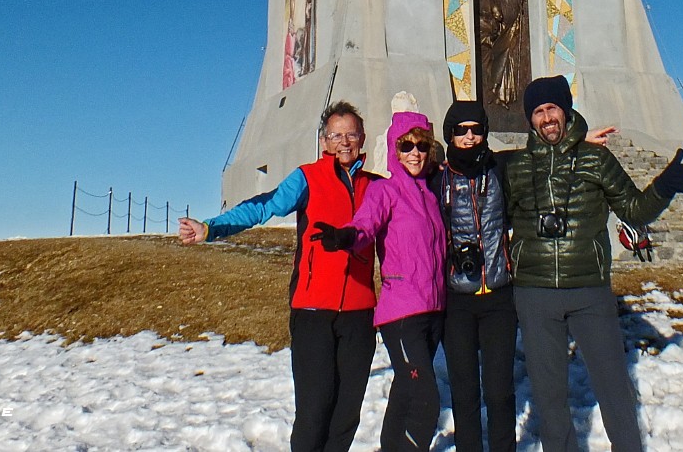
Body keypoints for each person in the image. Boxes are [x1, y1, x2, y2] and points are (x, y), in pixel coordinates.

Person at [504, 75, 683, 452]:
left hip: (589, 291)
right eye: (538, 112)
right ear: (530, 120)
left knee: (614, 389)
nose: (547, 118)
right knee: (550, 397)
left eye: (552, 108)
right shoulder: (515, 167)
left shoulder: (596, 159)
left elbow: (635, 210)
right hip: (535, 293)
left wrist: (665, 185)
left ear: (566, 110)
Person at [177, 102, 379, 452]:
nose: (344, 142)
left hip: (360, 313)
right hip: (313, 310)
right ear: (324, 141)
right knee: (315, 411)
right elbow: (264, 205)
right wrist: (210, 228)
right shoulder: (308, 177)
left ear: (363, 138)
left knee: (347, 414)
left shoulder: (376, 186)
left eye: (351, 135)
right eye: (336, 135)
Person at [314, 111, 447, 452]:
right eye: (406, 146)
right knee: (426, 398)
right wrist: (347, 237)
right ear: (394, 149)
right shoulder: (385, 191)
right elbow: (366, 224)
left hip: (433, 309)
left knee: (405, 392)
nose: (415, 153)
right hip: (402, 313)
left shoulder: (432, 195)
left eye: (421, 145)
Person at [435, 99, 518, 452]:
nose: (469, 137)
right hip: (457, 300)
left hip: (499, 295)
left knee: (500, 390)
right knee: (464, 390)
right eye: (460, 130)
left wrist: (580, 138)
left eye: (476, 129)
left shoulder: (500, 168)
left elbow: (542, 154)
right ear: (449, 135)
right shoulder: (437, 179)